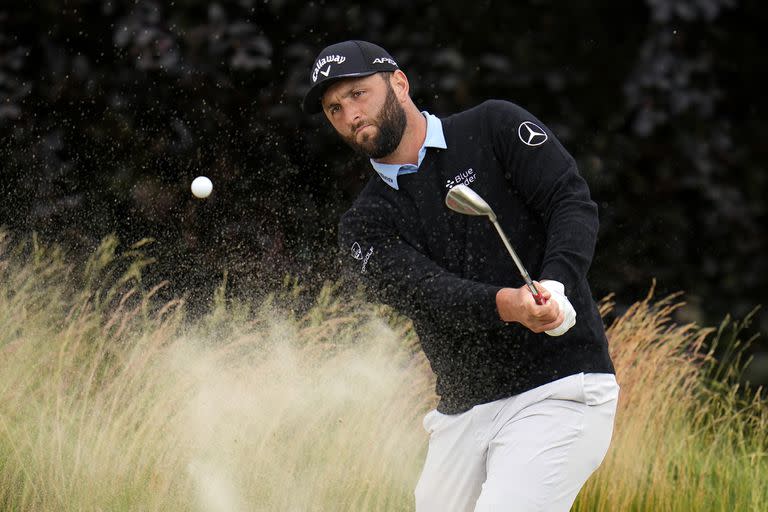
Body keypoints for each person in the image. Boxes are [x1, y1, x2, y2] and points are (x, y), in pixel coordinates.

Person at [302, 40, 619, 512]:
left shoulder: (494, 127)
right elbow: (426, 292)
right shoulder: (363, 223)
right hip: (462, 414)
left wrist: (555, 284)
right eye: (334, 107)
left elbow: (569, 202)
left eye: (358, 93)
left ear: (399, 83)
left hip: (560, 388)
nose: (350, 114)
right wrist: (506, 305)